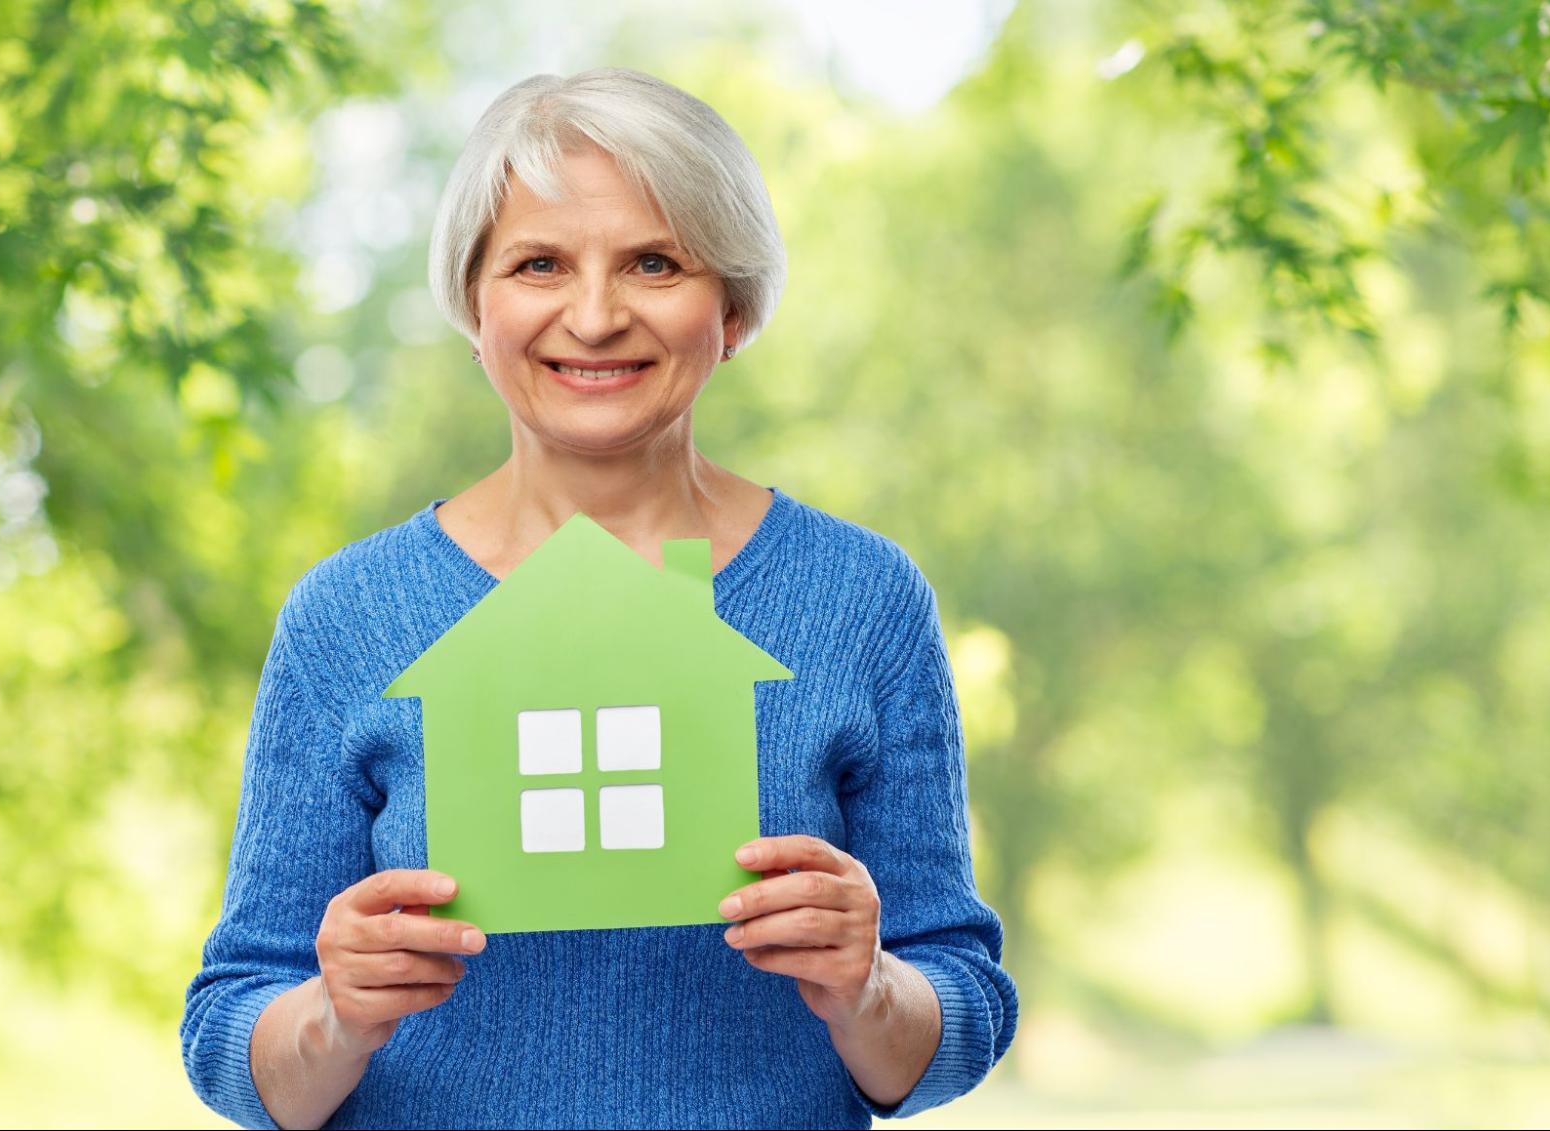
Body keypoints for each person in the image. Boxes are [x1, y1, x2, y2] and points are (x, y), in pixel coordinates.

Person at [180, 66, 1017, 1130]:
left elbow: (960, 1009)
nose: (593, 314)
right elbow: (229, 1042)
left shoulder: (859, 598)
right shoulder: (349, 616)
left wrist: (871, 989)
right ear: (473, 305)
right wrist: (331, 1016)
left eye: (654, 262)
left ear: (735, 308)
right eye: (538, 263)